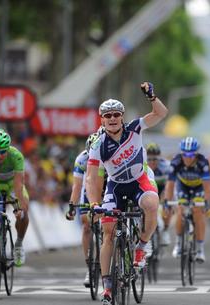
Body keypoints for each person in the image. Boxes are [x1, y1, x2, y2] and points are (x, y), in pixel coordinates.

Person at [86, 82, 168, 305]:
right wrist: (94, 203)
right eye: (107, 115)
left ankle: (142, 245)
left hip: (139, 180)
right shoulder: (98, 144)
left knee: (151, 203)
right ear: (102, 119)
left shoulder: (135, 128)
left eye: (116, 114)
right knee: (108, 232)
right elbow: (92, 177)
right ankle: (107, 287)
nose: (112, 118)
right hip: (116, 186)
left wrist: (151, 95)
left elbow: (161, 113)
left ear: (122, 117)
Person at [165, 137, 210, 263]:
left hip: (198, 188)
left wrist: (207, 203)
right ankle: (179, 243)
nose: (188, 157)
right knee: (181, 209)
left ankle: (200, 249)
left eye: (192, 154)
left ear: (196, 154)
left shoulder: (203, 163)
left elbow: (207, 186)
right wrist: (167, 202)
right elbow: (170, 184)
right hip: (183, 187)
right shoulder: (176, 162)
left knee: (198, 211)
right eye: (185, 154)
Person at [0, 129, 29, 266]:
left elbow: (18, 185)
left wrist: (19, 207)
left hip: (12, 185)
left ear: (8, 149)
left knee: (24, 212)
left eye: (2, 151)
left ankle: (18, 244)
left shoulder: (16, 156)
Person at [65, 131, 101, 287]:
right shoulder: (82, 159)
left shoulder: (108, 156)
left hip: (106, 189)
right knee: (86, 224)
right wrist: (72, 206)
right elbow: (77, 185)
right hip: (89, 189)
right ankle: (90, 266)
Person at [146, 142, 172, 245]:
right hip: (149, 188)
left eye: (155, 159)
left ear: (159, 158)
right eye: (149, 159)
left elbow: (169, 185)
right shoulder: (142, 165)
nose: (152, 162)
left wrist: (165, 200)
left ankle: (165, 230)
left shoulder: (166, 166)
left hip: (162, 188)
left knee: (167, 206)